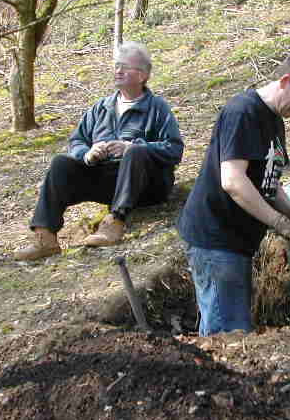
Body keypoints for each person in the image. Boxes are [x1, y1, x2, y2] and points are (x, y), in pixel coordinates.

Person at [177, 55, 290, 336]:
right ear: (285, 82)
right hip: (215, 240)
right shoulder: (243, 112)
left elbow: (267, 181)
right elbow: (233, 180)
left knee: (227, 326)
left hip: (236, 244)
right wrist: (280, 224)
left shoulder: (274, 120)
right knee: (229, 336)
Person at [14, 41, 184, 261]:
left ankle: (115, 221)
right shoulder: (100, 108)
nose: (118, 71)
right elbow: (76, 141)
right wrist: (87, 154)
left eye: (125, 67)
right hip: (109, 183)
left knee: (135, 152)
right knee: (60, 163)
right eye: (116, 66)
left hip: (148, 185)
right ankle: (45, 237)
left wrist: (133, 147)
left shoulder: (157, 108)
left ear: (142, 75)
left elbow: (174, 149)